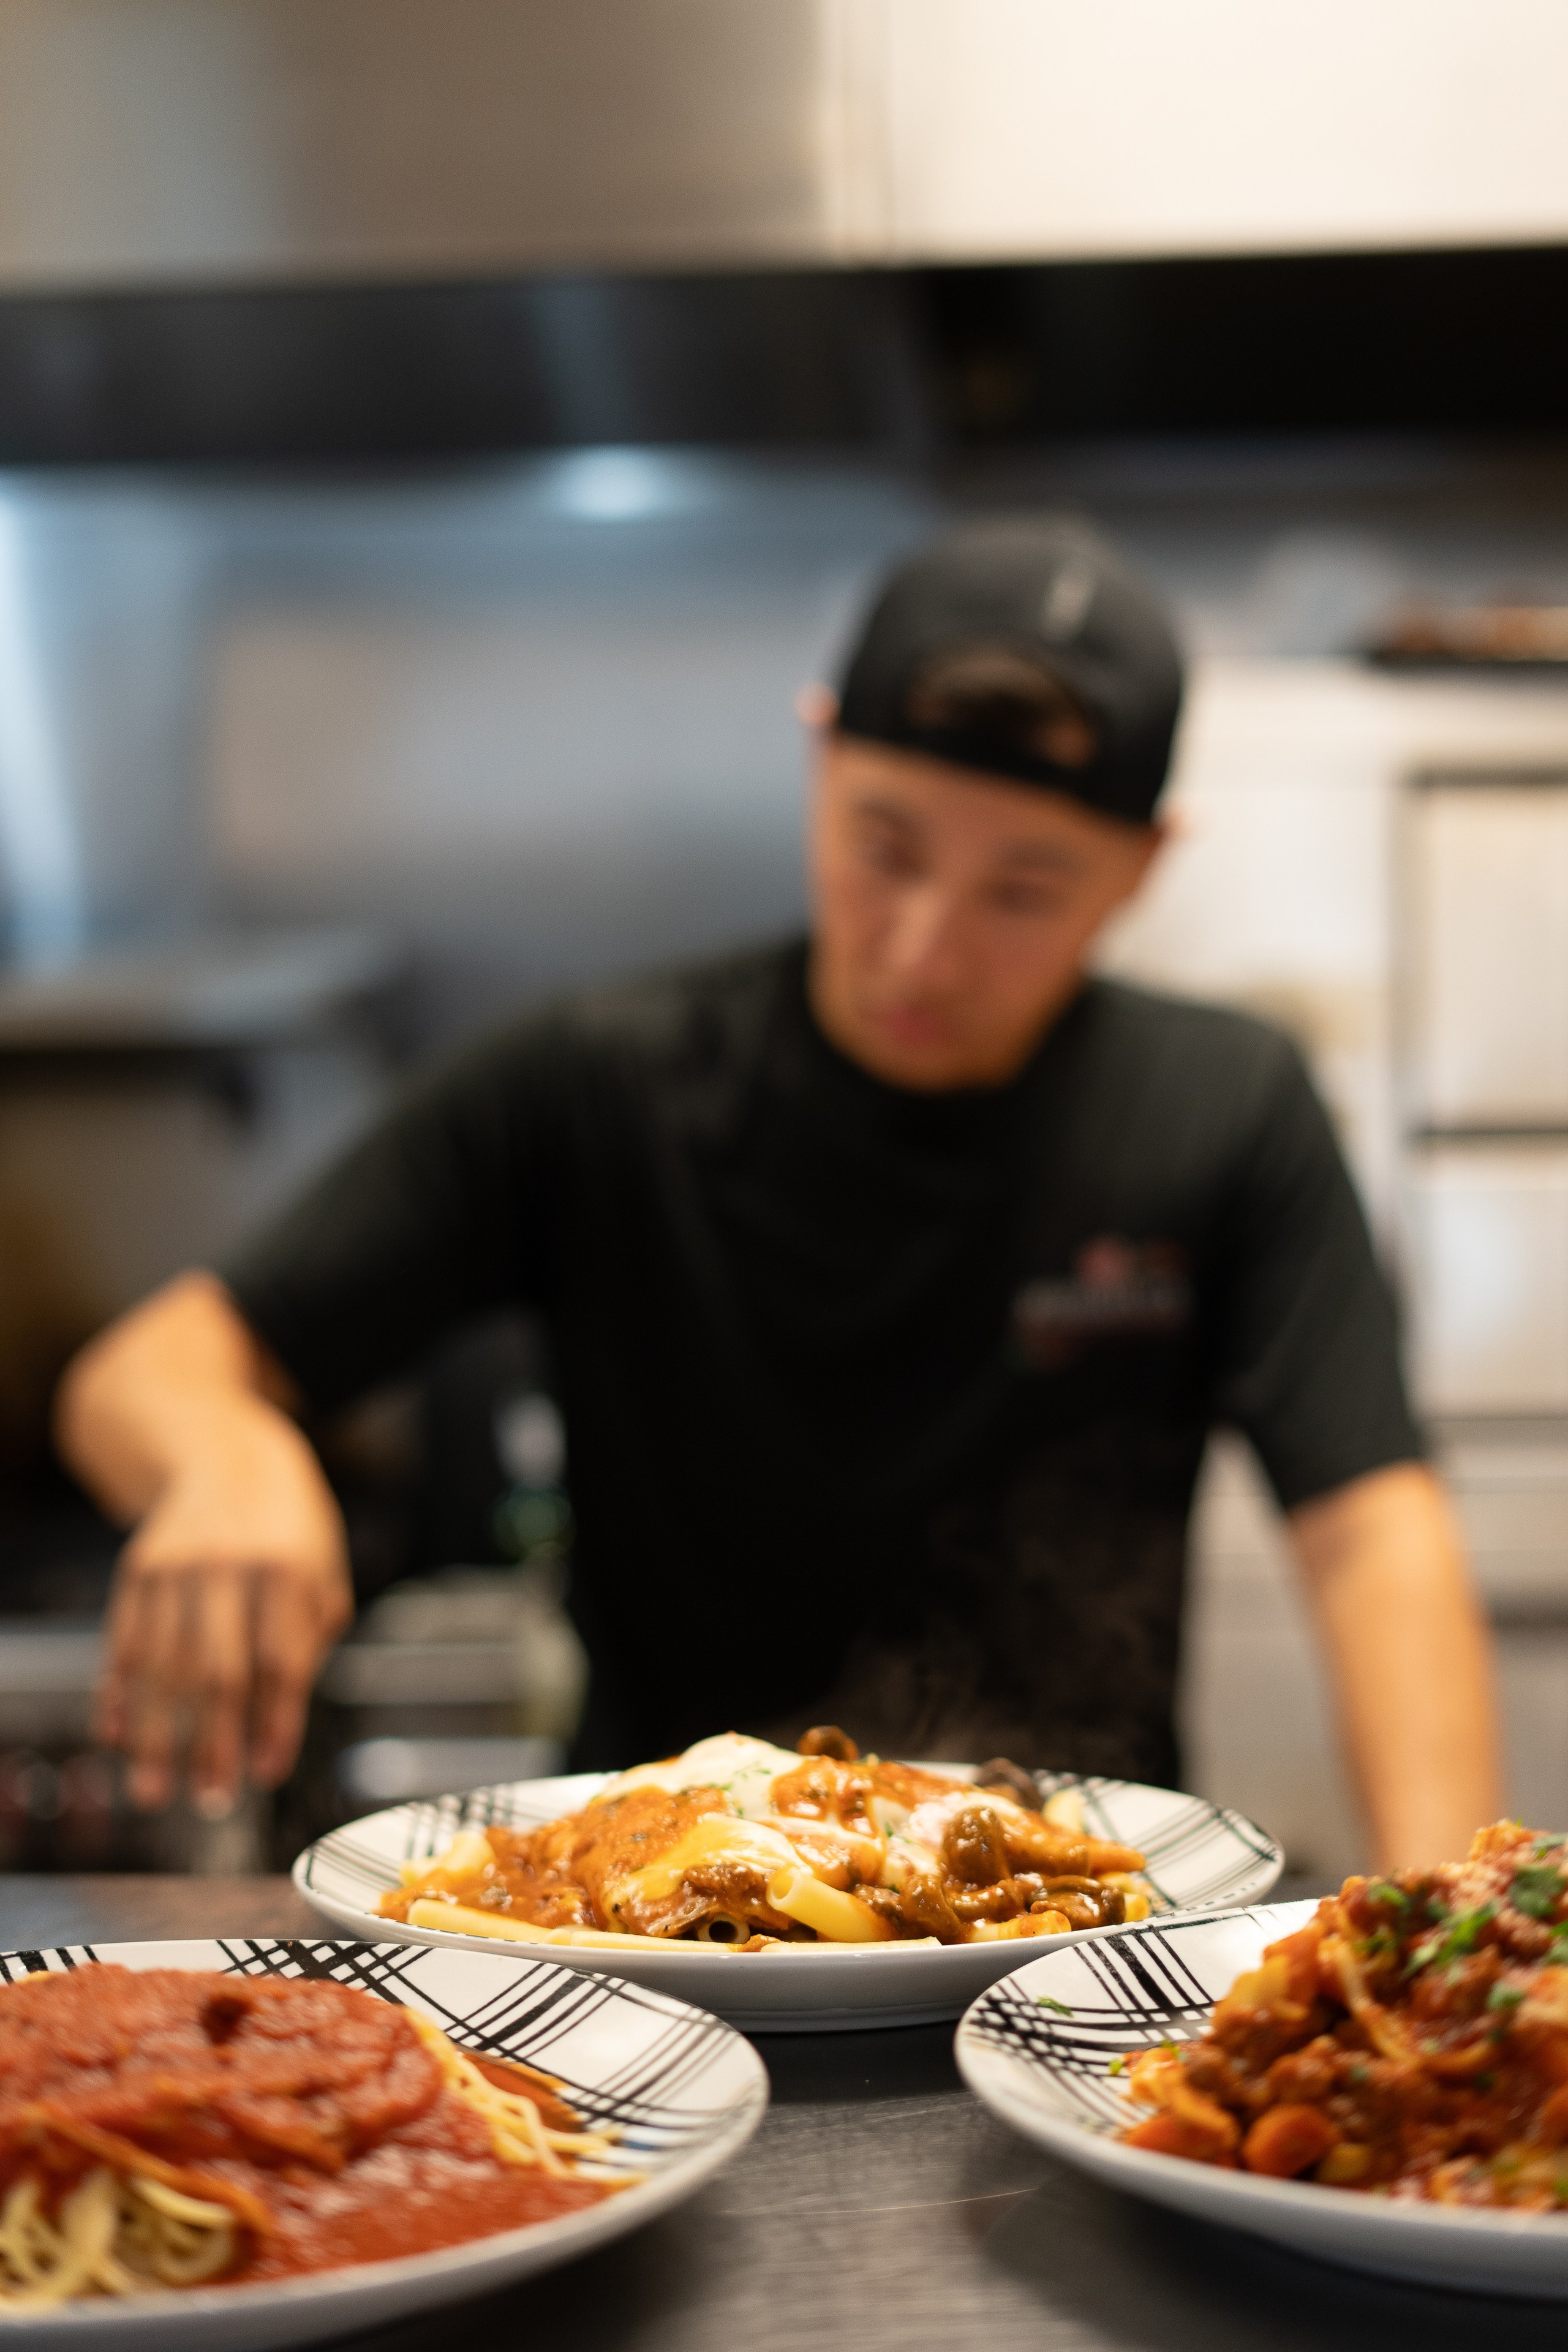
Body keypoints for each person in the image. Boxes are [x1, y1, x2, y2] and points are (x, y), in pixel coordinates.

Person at [56, 517, 1500, 1868]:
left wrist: (1449, 1934)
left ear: (1139, 870)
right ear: (817, 758)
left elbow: (1369, 1530)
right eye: (885, 848)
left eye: (1021, 891)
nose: (922, 948)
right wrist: (224, 1451)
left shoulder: (1224, 1106)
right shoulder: (597, 1082)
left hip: (1071, 1916)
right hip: (639, 1915)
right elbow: (139, 1374)